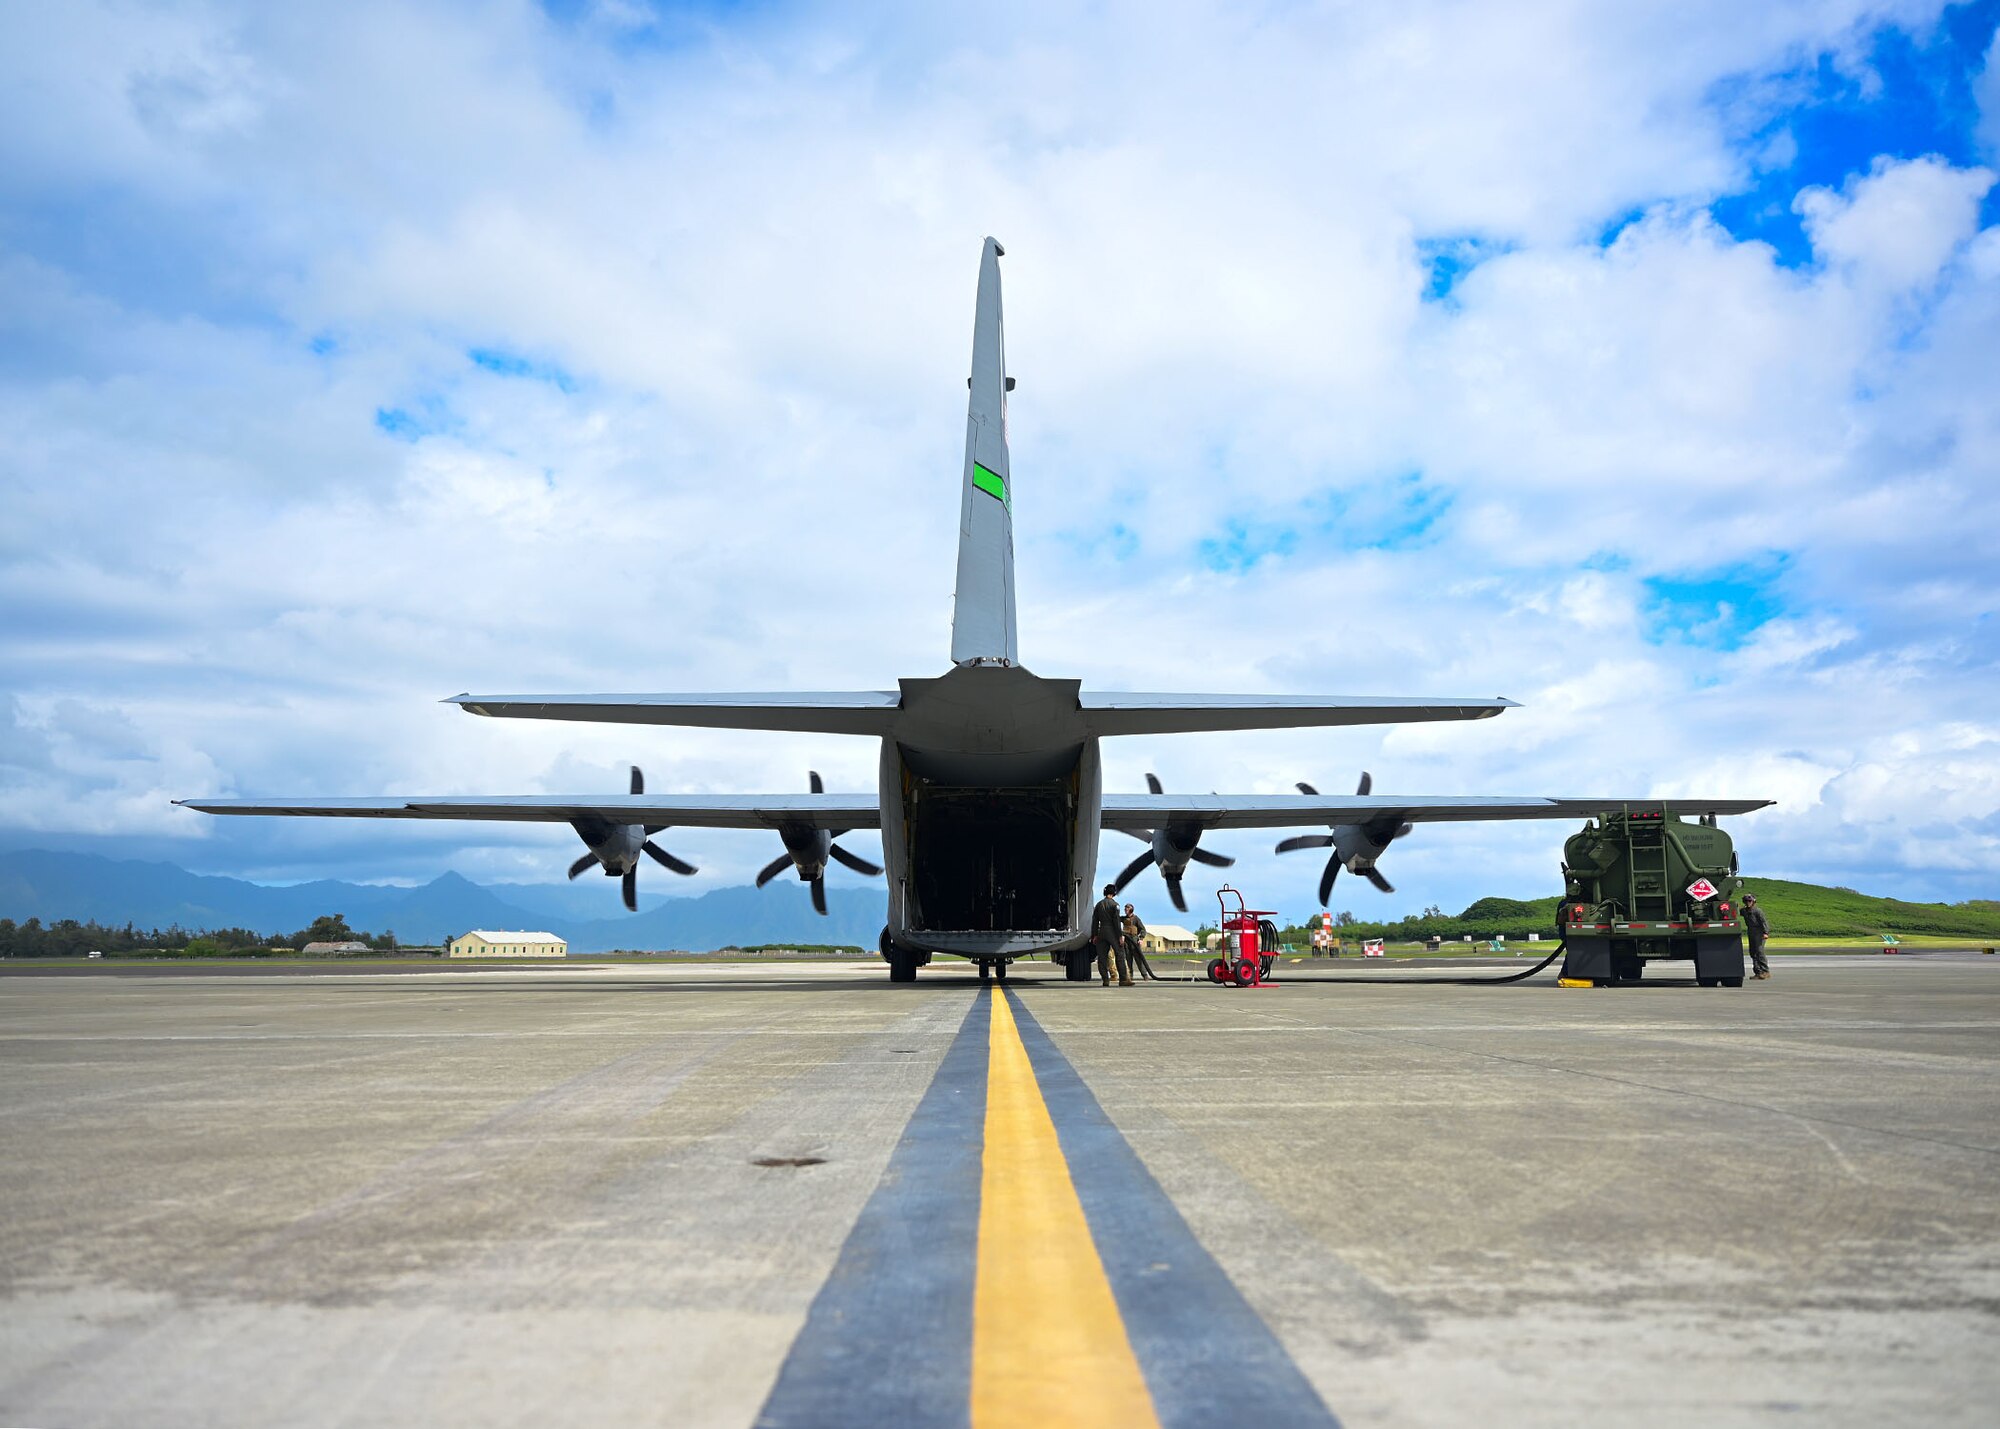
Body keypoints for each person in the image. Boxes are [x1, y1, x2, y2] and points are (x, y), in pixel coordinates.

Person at [1090, 883, 1131, 986]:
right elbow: (1116, 921)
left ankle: (1105, 980)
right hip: (1112, 931)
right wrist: (1120, 936)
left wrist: (1094, 935)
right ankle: (1123, 979)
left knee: (1102, 957)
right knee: (1119, 954)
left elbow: (1094, 921)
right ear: (1114, 893)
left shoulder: (1099, 905)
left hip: (1101, 932)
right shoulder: (1115, 905)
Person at [1122, 904, 1157, 980]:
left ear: (1131, 910)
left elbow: (1143, 930)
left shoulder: (1136, 919)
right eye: (1125, 909)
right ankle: (1130, 976)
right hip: (1126, 941)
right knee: (1128, 960)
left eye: (1127, 909)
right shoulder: (1123, 918)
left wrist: (1141, 939)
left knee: (1139, 959)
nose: (1125, 910)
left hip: (1134, 940)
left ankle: (1145, 975)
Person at [1743, 893, 1771, 980]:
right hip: (1751, 932)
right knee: (1753, 952)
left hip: (1759, 932)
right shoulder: (1744, 911)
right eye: (1746, 901)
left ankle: (1765, 971)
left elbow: (1764, 922)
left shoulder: (1758, 911)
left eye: (1750, 901)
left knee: (1759, 951)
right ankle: (1758, 972)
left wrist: (1765, 932)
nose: (1748, 902)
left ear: (1753, 902)